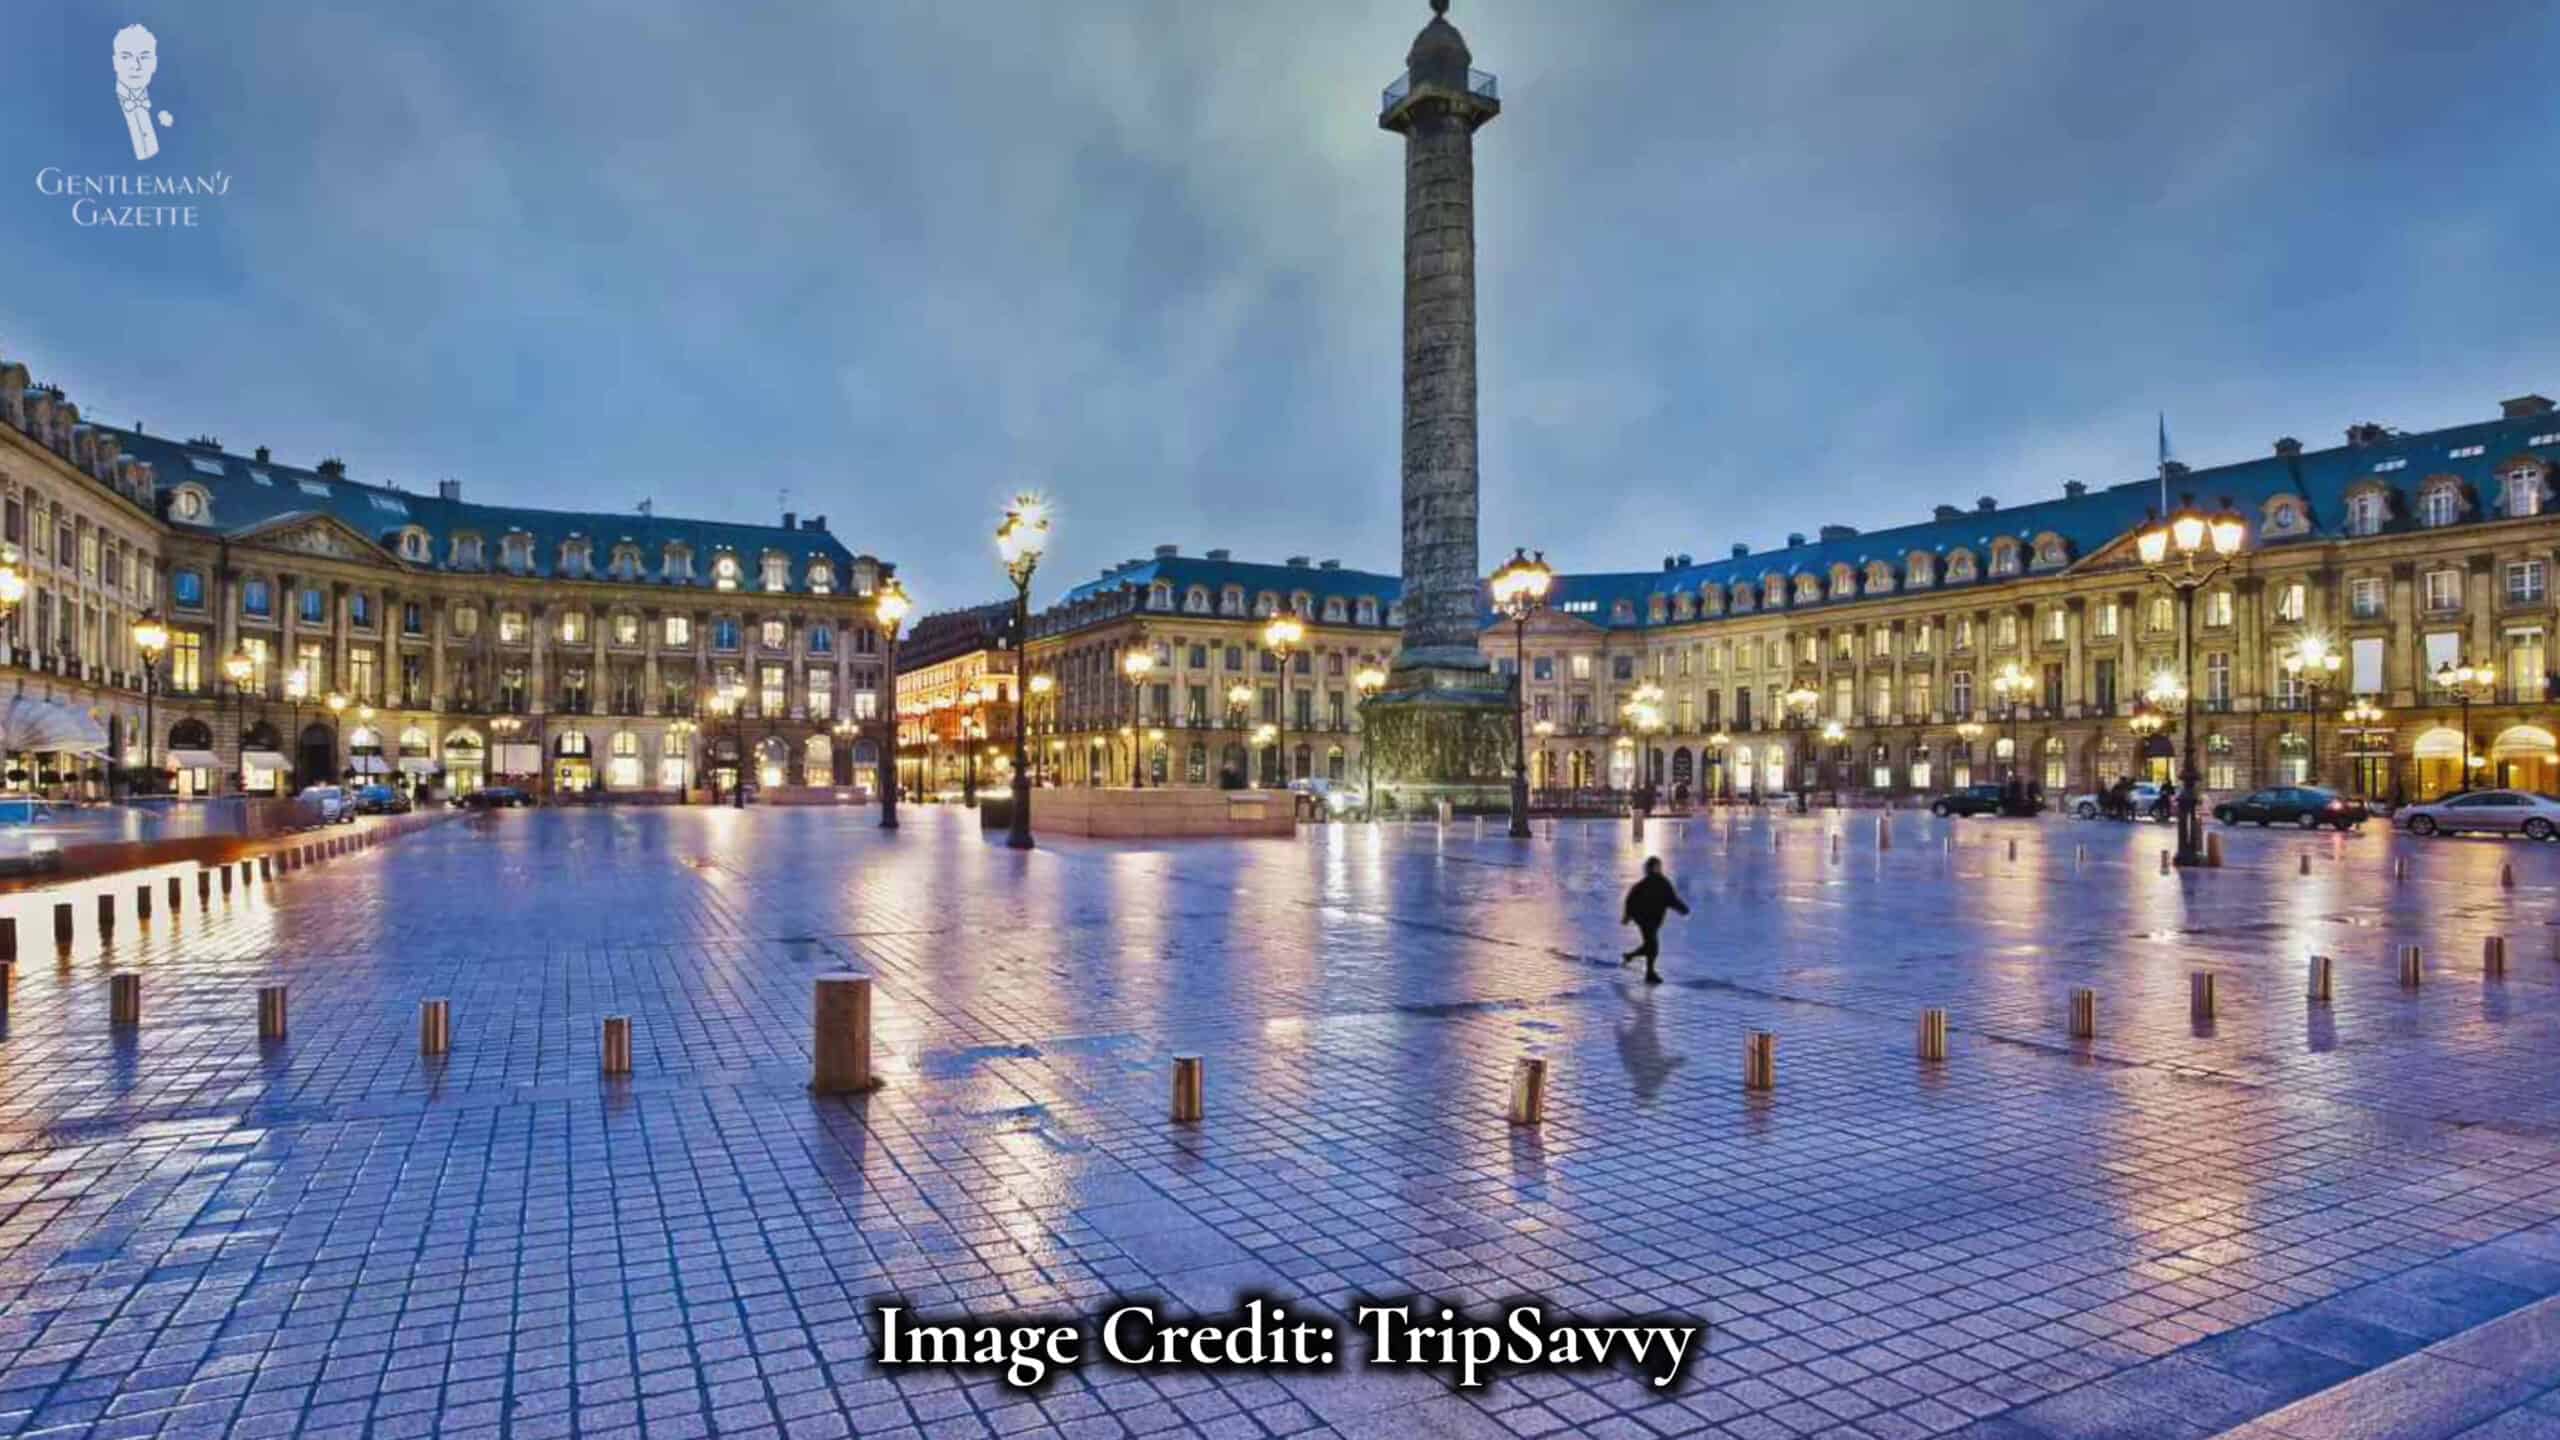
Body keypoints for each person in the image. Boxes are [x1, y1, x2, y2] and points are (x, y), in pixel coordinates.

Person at [1620, 856, 1690, 984]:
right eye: (1653, 867)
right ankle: (1649, 973)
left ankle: (1630, 956)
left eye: (1657, 866)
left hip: (1653, 919)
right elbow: (1631, 900)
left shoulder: (1662, 883)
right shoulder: (1645, 884)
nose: (1655, 869)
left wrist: (1682, 909)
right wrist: (1627, 915)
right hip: (1644, 919)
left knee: (1650, 945)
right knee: (1653, 946)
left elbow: (1671, 899)